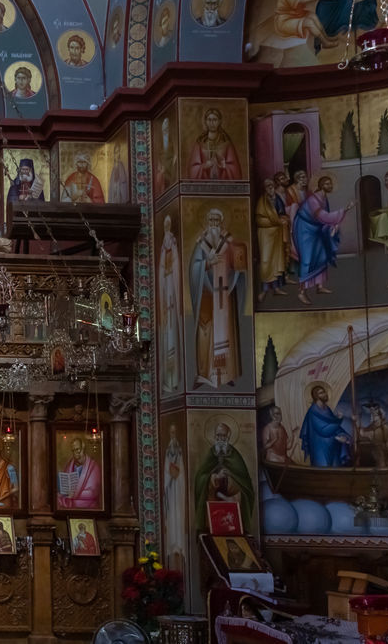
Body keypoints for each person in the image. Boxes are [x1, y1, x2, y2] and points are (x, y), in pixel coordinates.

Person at [189, 208, 244, 387]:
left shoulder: (229, 243)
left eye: (216, 220)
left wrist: (234, 268)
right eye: (211, 220)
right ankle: (204, 374)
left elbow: (237, 264)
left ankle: (226, 373)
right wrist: (206, 263)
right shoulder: (201, 244)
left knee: (226, 330)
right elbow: (193, 269)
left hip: (225, 295)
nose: (213, 223)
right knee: (205, 333)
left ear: (221, 222)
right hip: (206, 296)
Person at [293, 175, 354, 304]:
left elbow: (323, 219)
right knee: (307, 259)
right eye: (326, 184)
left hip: (315, 229)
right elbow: (323, 216)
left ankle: (319, 286)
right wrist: (346, 209)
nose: (329, 186)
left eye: (330, 184)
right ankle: (301, 292)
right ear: (321, 186)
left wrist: (333, 226)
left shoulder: (323, 198)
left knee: (321, 255)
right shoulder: (313, 200)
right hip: (305, 230)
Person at [193, 423, 255, 532]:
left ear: (228, 437)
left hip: (231, 500)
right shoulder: (210, 454)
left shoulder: (234, 455)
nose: (220, 439)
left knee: (239, 496)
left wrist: (229, 478)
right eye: (218, 435)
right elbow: (200, 478)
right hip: (211, 502)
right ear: (214, 436)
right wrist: (215, 478)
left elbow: (244, 481)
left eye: (223, 436)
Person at [256, 177, 290, 301]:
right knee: (266, 262)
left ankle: (276, 288)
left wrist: (283, 220)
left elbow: (282, 214)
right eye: (267, 186)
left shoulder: (278, 198)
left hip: (277, 235)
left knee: (277, 262)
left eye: (271, 185)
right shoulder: (262, 202)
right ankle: (264, 290)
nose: (270, 188)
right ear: (265, 188)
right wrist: (275, 221)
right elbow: (259, 220)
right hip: (266, 235)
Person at [300, 384, 351, 467]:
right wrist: (338, 421)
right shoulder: (313, 411)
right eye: (321, 393)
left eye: (324, 392)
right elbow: (323, 430)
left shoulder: (326, 408)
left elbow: (333, 425)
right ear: (316, 396)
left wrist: (343, 435)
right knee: (324, 467)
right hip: (320, 446)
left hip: (332, 443)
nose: (325, 394)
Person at [158, 215, 182, 393]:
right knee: (167, 336)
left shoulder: (173, 246)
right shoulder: (163, 251)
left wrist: (170, 284)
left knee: (172, 335)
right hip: (165, 298)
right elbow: (160, 270)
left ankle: (174, 380)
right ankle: (168, 380)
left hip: (172, 297)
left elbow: (175, 269)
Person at [188, 108, 241, 180]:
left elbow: (235, 168)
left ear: (220, 121)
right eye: (209, 120)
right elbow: (193, 168)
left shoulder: (226, 142)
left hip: (223, 185)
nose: (212, 123)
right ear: (205, 121)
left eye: (214, 120)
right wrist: (204, 166)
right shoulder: (200, 142)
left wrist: (225, 166)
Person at [162, 426, 187, 572]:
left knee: (177, 515)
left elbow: (180, 472)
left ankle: (178, 548)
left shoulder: (179, 451)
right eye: (171, 432)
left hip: (178, 492)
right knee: (171, 516)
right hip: (170, 493)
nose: (173, 435)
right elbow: (167, 470)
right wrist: (169, 475)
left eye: (175, 432)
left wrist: (176, 474)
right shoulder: (168, 451)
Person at [357, 401, 388, 468]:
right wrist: (357, 421)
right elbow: (367, 429)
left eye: (375, 416)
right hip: (383, 452)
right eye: (372, 415)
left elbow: (376, 435)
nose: (372, 418)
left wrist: (364, 433)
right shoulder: (376, 424)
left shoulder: (385, 426)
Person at [58, 437, 101, 509]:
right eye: (73, 450)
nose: (75, 452)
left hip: (88, 506)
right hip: (71, 504)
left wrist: (74, 494)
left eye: (77, 449)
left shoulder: (93, 467)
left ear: (83, 448)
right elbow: (65, 486)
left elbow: (93, 492)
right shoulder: (69, 465)